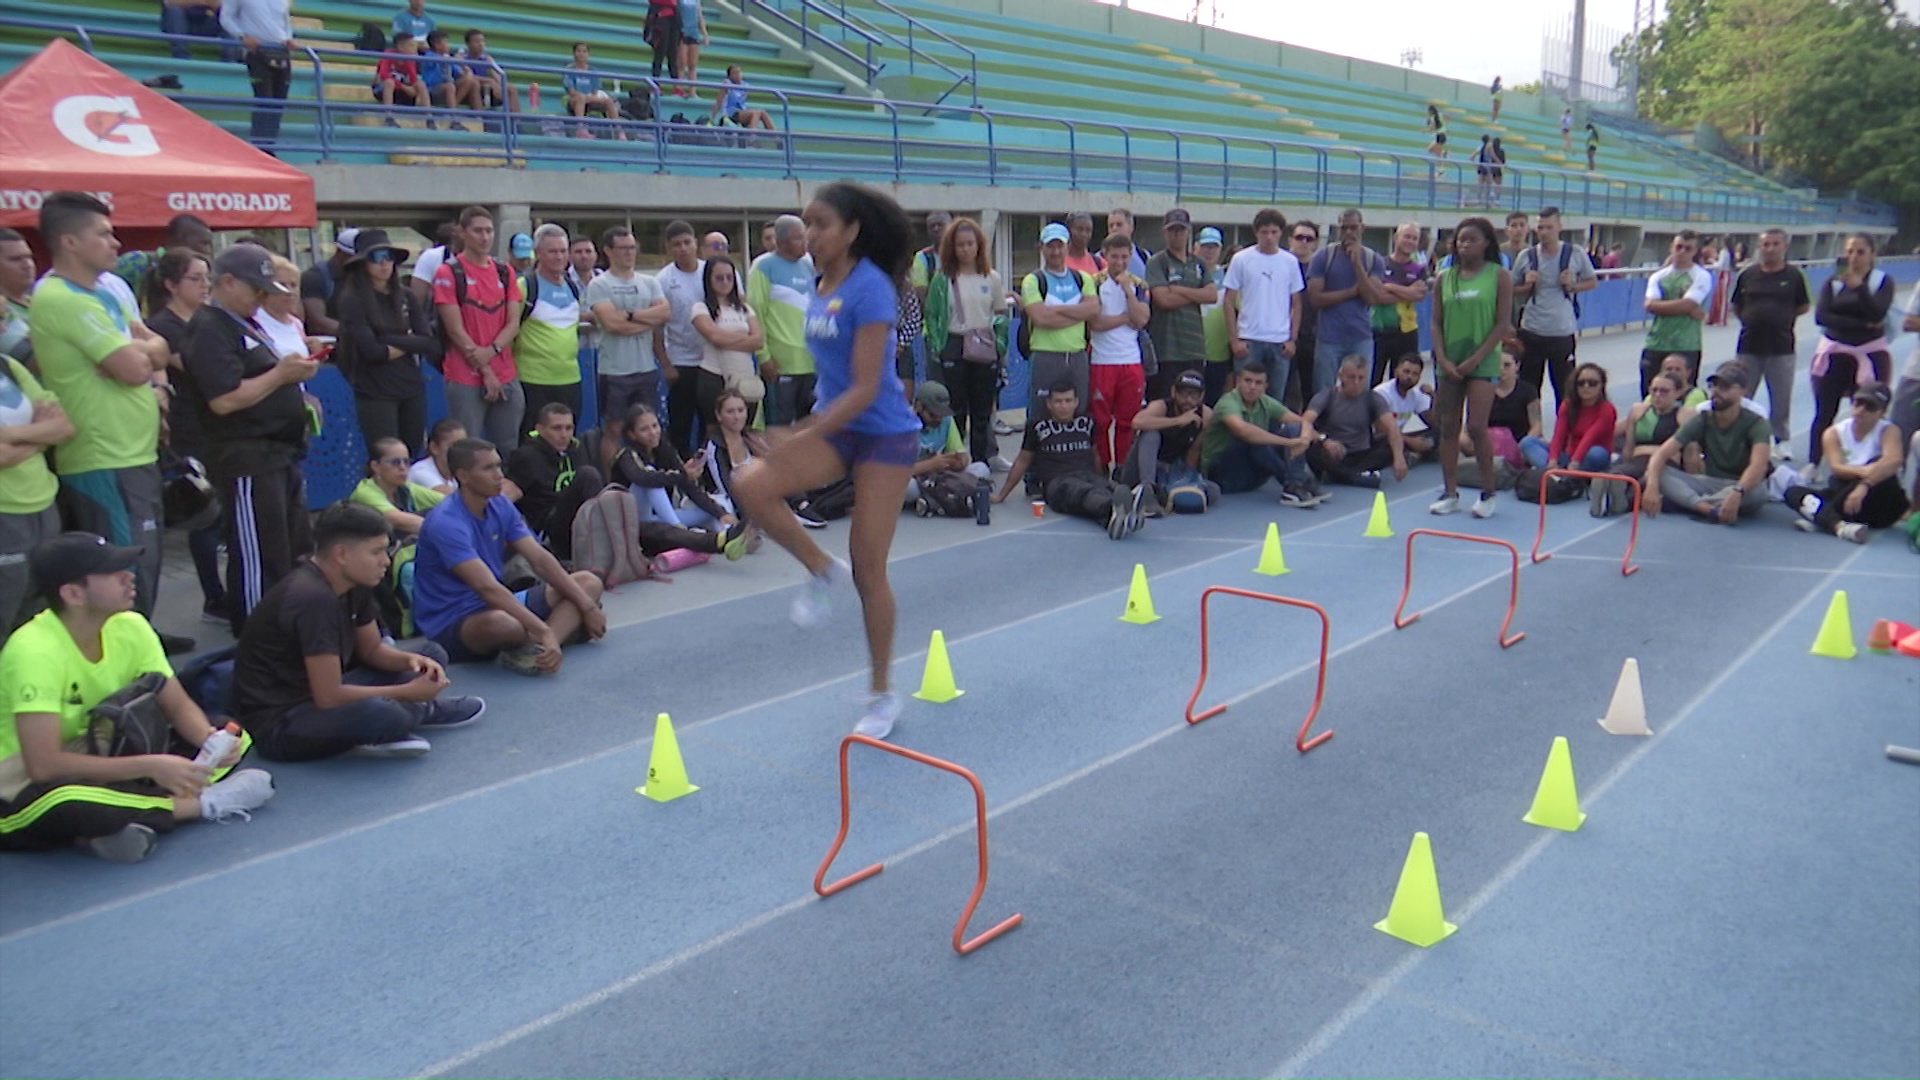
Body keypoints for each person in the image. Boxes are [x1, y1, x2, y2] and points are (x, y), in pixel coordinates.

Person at [729, 182, 927, 741]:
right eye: (805, 223)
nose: (807, 233)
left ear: (852, 231)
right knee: (750, 483)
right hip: (836, 427)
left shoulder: (871, 290)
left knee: (869, 567)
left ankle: (882, 692)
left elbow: (866, 387)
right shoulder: (821, 282)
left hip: (883, 435)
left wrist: (798, 432)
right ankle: (819, 568)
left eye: (820, 224)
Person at [0, 533, 273, 862]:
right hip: (22, 780)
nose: (128, 576)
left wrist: (210, 742)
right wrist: (151, 766)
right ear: (73, 593)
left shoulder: (132, 625)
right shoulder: (34, 650)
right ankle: (203, 804)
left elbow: (177, 704)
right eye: (112, 572)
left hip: (104, 750)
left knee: (232, 734)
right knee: (65, 799)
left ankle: (122, 817)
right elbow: (44, 765)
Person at [233, 502, 484, 761]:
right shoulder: (312, 599)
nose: (385, 561)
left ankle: (405, 713)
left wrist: (411, 661)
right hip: (283, 720)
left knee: (431, 653)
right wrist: (405, 692)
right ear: (341, 554)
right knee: (382, 713)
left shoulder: (355, 581)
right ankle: (419, 711)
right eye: (376, 552)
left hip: (327, 689)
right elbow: (328, 697)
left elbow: (373, 650)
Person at [27, 193, 174, 633]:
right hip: (103, 458)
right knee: (117, 580)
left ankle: (138, 661)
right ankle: (122, 678)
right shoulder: (62, 298)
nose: (115, 243)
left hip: (134, 453)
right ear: (69, 242)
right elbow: (133, 368)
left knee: (141, 572)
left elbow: (160, 348)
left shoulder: (102, 295)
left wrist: (143, 352)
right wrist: (141, 354)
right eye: (104, 234)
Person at [181, 244, 319, 632]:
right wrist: (280, 376)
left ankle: (286, 620)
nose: (262, 299)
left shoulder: (243, 322)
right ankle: (258, 632)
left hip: (278, 450)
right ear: (226, 283)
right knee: (259, 551)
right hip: (245, 455)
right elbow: (223, 400)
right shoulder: (210, 327)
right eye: (255, 290)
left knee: (291, 545)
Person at [413, 437, 606, 674]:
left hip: (502, 601)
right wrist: (543, 630)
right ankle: (547, 637)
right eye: (488, 468)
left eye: (498, 466)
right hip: (455, 620)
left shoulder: (500, 504)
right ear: (463, 476)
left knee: (588, 583)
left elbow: (540, 559)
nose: (499, 475)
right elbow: (486, 588)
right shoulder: (446, 522)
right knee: (505, 625)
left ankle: (537, 651)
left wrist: (587, 607)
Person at [141, 251, 226, 625]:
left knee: (223, 514)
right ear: (171, 285)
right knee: (204, 514)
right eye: (195, 278)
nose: (204, 285)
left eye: (207, 277)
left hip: (217, 427)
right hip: (188, 429)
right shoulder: (164, 325)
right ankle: (214, 597)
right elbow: (200, 368)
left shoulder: (208, 319)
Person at [1429, 216, 1514, 518]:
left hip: (1482, 360)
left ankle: (1487, 493)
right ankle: (1450, 492)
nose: (1464, 245)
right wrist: (1442, 357)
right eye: (1460, 240)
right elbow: (1436, 322)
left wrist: (1475, 359)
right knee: (1448, 426)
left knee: (1476, 427)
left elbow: (1501, 323)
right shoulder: (1444, 277)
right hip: (1449, 362)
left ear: (1487, 243)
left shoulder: (1499, 276)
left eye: (1471, 240)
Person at [994, 381, 1147, 538]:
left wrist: (1101, 478)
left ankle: (1116, 516)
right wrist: (1002, 495)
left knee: (1105, 487)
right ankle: (1115, 508)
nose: (1063, 406)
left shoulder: (1088, 421)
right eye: (1058, 401)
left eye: (1068, 401)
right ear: (1049, 404)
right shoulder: (1037, 425)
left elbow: (1095, 454)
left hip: (1088, 475)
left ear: (1076, 402)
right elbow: (1022, 461)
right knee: (1085, 493)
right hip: (1058, 483)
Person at [334, 229, 435, 452]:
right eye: (377, 258)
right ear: (363, 263)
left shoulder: (406, 296)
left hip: (410, 386)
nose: (385, 264)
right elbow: (372, 352)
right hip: (375, 390)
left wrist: (387, 339)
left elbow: (427, 342)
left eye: (389, 257)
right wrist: (407, 341)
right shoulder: (353, 300)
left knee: (412, 450)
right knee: (385, 456)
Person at [434, 206, 525, 450]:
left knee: (507, 447)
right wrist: (484, 368)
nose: (485, 237)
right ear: (461, 233)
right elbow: (454, 329)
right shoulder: (449, 272)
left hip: (505, 372)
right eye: (477, 231)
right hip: (465, 375)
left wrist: (493, 351)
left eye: (489, 231)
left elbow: (513, 322)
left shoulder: (505, 272)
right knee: (467, 449)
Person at [1643, 362, 1772, 525]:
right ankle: (1707, 509)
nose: (1716, 391)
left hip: (1741, 484)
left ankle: (1689, 503)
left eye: (1724, 386)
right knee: (1657, 473)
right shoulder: (1703, 419)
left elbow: (1758, 466)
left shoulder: (1756, 423)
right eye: (1714, 385)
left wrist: (1737, 492)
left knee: (1758, 491)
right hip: (1709, 482)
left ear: (1742, 392)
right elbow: (1661, 454)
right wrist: (1652, 487)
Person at [923, 216, 1005, 467]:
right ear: (952, 247)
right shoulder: (943, 278)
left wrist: (1000, 345)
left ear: (979, 245)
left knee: (982, 411)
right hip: (954, 345)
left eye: (970, 244)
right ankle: (954, 461)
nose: (966, 249)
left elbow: (1000, 313)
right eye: (960, 244)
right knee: (955, 410)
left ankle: (981, 462)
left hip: (984, 345)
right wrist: (939, 346)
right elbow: (933, 314)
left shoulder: (991, 277)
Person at [1809, 233, 1894, 470]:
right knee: (1825, 411)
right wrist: (1861, 324)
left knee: (1867, 411)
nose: (1853, 257)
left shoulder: (1881, 282)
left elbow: (1877, 314)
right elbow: (1822, 317)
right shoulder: (1833, 283)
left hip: (1869, 355)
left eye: (1860, 252)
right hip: (1835, 355)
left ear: (1872, 255)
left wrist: (1860, 289)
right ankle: (1814, 463)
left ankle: (1867, 462)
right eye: (1849, 251)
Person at [1783, 382, 1908, 542]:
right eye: (1858, 403)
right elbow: (1837, 468)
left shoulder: (1888, 431)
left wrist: (1865, 484)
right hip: (1845, 495)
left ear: (1881, 412)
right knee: (1793, 492)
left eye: (1870, 406)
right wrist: (1864, 471)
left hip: (1878, 501)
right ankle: (1838, 526)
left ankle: (1822, 519)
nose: (1861, 410)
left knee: (1881, 465)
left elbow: (1893, 461)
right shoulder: (1834, 433)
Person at [0, 353, 72, 632]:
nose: (5, 328)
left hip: (43, 503)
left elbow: (64, 426)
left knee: (39, 614)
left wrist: (10, 435)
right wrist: (39, 435)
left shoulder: (8, 365)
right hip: (5, 512)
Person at [611, 405, 746, 552]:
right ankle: (683, 535)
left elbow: (689, 487)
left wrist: (722, 514)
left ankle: (731, 537)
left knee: (713, 509)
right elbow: (643, 478)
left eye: (655, 426)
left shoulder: (664, 449)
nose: (653, 433)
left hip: (660, 521)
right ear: (632, 434)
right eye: (644, 429)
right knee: (651, 476)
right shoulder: (626, 454)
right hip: (636, 523)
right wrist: (682, 475)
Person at [1729, 228, 1811, 458]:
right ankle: (1740, 437)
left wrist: (1781, 318)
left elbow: (1803, 306)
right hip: (1749, 345)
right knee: (1742, 394)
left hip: (1781, 346)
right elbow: (1736, 305)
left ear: (1784, 247)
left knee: (1781, 397)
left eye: (1775, 244)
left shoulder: (1793, 276)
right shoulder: (1748, 275)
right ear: (1759, 247)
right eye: (1766, 244)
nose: (1770, 249)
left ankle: (1781, 439)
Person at [587, 225, 671, 446]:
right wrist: (646, 321)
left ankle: (649, 473)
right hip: (615, 371)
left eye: (632, 247)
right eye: (623, 248)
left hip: (646, 369)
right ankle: (611, 478)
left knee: (649, 428)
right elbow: (612, 324)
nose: (629, 253)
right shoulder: (600, 284)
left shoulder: (649, 282)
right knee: (614, 428)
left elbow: (664, 313)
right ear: (608, 250)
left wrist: (630, 315)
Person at [1199, 362, 1323, 506]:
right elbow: (1243, 431)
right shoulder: (1228, 403)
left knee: (1293, 430)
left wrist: (1304, 439)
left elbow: (1302, 422)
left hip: (1252, 476)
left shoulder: (1265, 402)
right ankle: (1296, 485)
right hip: (1222, 475)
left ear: (1265, 387)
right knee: (1253, 440)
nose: (1252, 387)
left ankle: (1296, 483)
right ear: (1238, 381)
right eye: (1248, 381)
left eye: (1258, 383)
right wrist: (1289, 443)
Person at [1512, 206, 1598, 410]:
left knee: (1566, 388)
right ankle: (1531, 432)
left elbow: (1592, 281)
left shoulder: (1574, 253)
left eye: (1549, 227)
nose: (1544, 232)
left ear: (1559, 227)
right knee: (1529, 387)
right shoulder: (1526, 256)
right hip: (1531, 330)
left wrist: (1573, 285)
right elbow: (1512, 289)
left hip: (1561, 332)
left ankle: (1567, 433)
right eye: (1540, 228)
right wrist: (1526, 284)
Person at [1223, 208, 1306, 404]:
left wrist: (1292, 339)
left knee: (1275, 399)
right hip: (1249, 339)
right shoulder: (1241, 259)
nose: (1269, 237)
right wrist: (1234, 340)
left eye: (1274, 232)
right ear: (1256, 232)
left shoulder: (1290, 262)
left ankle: (1271, 434)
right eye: (1264, 232)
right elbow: (1228, 301)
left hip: (1279, 342)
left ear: (1281, 233)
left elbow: (1297, 303)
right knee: (1244, 397)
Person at [505, 403, 604, 561]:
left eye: (569, 428)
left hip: (581, 523)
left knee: (648, 531)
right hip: (550, 530)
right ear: (540, 429)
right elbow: (505, 496)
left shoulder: (576, 450)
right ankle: (606, 545)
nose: (564, 435)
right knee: (588, 475)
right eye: (556, 428)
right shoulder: (526, 456)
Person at [1306, 208, 1386, 400]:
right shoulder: (1323, 257)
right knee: (1324, 392)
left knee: (1360, 391)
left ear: (1362, 228)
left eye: (1353, 228)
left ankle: (1354, 428)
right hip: (1329, 337)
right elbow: (1315, 299)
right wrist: (1351, 292)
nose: (1349, 233)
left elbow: (1372, 298)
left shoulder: (1373, 259)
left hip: (1361, 336)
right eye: (1344, 228)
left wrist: (1357, 264)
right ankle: (1324, 427)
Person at [1022, 223, 1099, 421]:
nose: (1055, 252)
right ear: (1042, 248)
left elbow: (1093, 310)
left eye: (1060, 246)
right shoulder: (1033, 280)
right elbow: (1041, 318)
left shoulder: (1082, 279)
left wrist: (1057, 309)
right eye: (1050, 246)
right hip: (1045, 356)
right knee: (1040, 416)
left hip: (1077, 356)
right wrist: (1078, 314)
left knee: (1079, 413)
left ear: (1067, 246)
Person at [1089, 233, 1152, 474]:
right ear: (1105, 256)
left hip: (1130, 361)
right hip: (1102, 361)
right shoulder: (1094, 283)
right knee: (1101, 420)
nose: (1120, 262)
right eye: (1115, 257)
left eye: (1124, 257)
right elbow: (1096, 323)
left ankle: (1123, 468)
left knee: (1128, 420)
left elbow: (1142, 320)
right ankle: (1102, 466)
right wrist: (1127, 318)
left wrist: (1127, 291)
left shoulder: (1138, 285)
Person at [516, 225, 586, 440]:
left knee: (567, 439)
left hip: (570, 378)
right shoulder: (525, 286)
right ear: (538, 254)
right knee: (533, 440)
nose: (559, 257)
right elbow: (509, 330)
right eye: (552, 251)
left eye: (563, 251)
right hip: (532, 379)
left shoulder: (573, 288)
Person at [748, 214, 817, 426]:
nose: (805, 243)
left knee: (810, 426)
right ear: (781, 241)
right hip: (780, 365)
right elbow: (755, 312)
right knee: (781, 426)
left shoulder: (809, 265)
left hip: (811, 362)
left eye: (805, 237)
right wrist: (763, 357)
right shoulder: (763, 266)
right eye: (799, 238)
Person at [1301, 354, 1407, 489]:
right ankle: (1355, 476)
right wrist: (1324, 440)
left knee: (1393, 444)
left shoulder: (1373, 398)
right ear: (1341, 376)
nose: (1356, 383)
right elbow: (1304, 422)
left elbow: (1392, 427)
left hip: (1362, 453)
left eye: (1361, 378)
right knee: (1310, 447)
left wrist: (1399, 458)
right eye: (1351, 377)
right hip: (1332, 453)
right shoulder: (1327, 396)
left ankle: (1342, 475)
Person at [1145, 209, 1217, 402]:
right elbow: (1163, 300)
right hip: (1166, 350)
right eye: (1172, 230)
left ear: (1188, 231)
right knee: (1164, 403)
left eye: (1181, 230)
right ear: (1164, 232)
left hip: (1194, 349)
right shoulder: (1157, 262)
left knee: (1192, 403)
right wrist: (1196, 294)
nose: (1177, 234)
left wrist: (1178, 289)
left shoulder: (1199, 263)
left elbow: (1211, 295)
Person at [1121, 369, 1217, 511]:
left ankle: (1168, 494)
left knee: (1214, 491)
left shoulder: (1206, 415)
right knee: (1151, 434)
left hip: (1171, 471)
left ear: (1202, 396)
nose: (1189, 400)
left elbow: (1194, 452)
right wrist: (1178, 420)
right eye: (1184, 394)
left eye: (1194, 395)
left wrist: (1188, 479)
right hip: (1143, 469)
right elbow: (1137, 422)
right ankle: (1148, 491)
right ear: (1174, 392)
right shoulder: (1161, 406)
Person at [692, 256, 764, 429]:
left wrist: (726, 338)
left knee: (744, 430)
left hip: (745, 378)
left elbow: (758, 341)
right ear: (709, 279)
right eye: (719, 278)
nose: (725, 282)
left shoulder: (745, 308)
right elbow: (714, 338)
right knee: (714, 430)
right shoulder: (700, 308)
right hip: (715, 376)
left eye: (729, 277)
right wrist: (744, 337)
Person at [656, 221, 708, 453]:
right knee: (680, 426)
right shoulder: (663, 280)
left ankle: (712, 478)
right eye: (677, 244)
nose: (683, 248)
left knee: (711, 425)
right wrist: (666, 364)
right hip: (681, 362)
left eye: (687, 242)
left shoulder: (713, 271)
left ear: (696, 243)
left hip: (713, 361)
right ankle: (682, 480)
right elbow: (656, 329)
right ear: (668, 248)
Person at [1639, 231, 1712, 395]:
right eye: (1679, 247)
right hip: (1656, 343)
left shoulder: (1701, 276)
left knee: (1684, 396)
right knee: (1650, 394)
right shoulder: (1658, 276)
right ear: (1671, 248)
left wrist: (1662, 306)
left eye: (1688, 248)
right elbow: (1650, 305)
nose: (1682, 252)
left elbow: (1688, 304)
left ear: (1695, 251)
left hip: (1686, 345)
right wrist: (1684, 308)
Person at [222, 0, 297, 150]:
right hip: (257, 51)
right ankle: (260, 146)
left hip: (281, 50)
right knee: (264, 99)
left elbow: (285, 21)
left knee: (279, 103)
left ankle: (269, 146)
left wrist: (288, 37)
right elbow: (226, 17)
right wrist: (242, 35)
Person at [906, 382, 990, 515]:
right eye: (933, 415)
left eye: (941, 414)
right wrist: (930, 465)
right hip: (915, 478)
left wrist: (958, 462)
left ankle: (932, 501)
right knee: (908, 488)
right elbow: (895, 471)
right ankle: (942, 499)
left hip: (940, 477)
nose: (938, 419)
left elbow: (961, 455)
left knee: (981, 469)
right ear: (919, 407)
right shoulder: (902, 423)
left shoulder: (947, 421)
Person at [1526, 361, 1616, 473]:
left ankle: (1566, 477)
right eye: (1581, 383)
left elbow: (1590, 437)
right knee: (1528, 442)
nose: (1586, 387)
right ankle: (1554, 474)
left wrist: (1575, 461)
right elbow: (1559, 436)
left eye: (1592, 383)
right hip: (1568, 456)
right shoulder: (1568, 405)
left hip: (1591, 456)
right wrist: (1553, 459)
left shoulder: (1607, 409)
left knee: (1595, 453)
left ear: (1602, 385)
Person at [1612, 371, 1699, 484]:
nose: (1657, 395)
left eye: (1664, 391)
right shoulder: (1637, 411)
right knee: (1610, 478)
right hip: (1637, 462)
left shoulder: (1686, 415)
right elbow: (1628, 448)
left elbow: (1691, 455)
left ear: (1678, 392)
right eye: (1654, 390)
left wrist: (1693, 482)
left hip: (1667, 467)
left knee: (1640, 487)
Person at [1370, 222, 1427, 387]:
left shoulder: (1419, 269)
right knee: (1373, 382)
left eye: (1414, 238)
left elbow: (1419, 295)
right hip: (1379, 330)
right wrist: (1407, 292)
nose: (1410, 241)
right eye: (1407, 236)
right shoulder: (1380, 263)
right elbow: (1376, 296)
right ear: (1396, 238)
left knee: (1401, 383)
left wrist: (1389, 286)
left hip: (1406, 332)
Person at [353, 437, 446, 535]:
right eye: (395, 463)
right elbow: (399, 521)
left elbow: (451, 503)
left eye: (406, 462)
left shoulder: (407, 488)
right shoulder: (365, 493)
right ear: (376, 466)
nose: (403, 467)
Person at [1285, 221, 1320, 410]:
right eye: (1299, 237)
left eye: (1309, 239)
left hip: (1312, 336)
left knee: (1310, 390)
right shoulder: (1281, 264)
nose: (1304, 242)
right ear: (1290, 239)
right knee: (1283, 389)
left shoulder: (1320, 269)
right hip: (1283, 336)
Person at [1374, 353, 1437, 460]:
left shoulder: (1416, 395)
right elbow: (1381, 431)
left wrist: (1433, 397)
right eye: (1406, 371)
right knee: (1384, 444)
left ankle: (1413, 455)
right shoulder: (1382, 393)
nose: (1409, 377)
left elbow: (1435, 422)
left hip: (1402, 438)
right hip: (1380, 439)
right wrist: (1411, 441)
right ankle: (1413, 454)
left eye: (1414, 374)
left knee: (1438, 434)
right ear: (1396, 371)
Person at [420, 30, 480, 125]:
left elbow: (460, 73)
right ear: (437, 44)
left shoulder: (447, 57)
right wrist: (453, 59)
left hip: (448, 88)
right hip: (432, 90)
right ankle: (453, 118)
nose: (448, 45)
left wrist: (464, 66)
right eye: (446, 42)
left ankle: (478, 117)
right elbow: (437, 61)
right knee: (449, 87)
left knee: (471, 80)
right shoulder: (429, 55)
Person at [562, 42, 618, 133]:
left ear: (588, 54)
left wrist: (589, 98)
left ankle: (620, 132)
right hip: (575, 100)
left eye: (584, 51)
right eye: (579, 51)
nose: (581, 54)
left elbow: (595, 92)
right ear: (574, 53)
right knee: (580, 98)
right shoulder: (569, 70)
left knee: (609, 100)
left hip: (590, 99)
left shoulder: (593, 71)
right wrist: (584, 97)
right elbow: (572, 92)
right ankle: (580, 130)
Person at [373, 33, 427, 119]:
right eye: (411, 46)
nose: (415, 49)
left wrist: (414, 89)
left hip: (401, 92)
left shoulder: (410, 60)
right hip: (383, 90)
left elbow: (413, 79)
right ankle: (389, 116)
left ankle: (428, 116)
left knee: (420, 84)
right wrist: (404, 87)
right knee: (389, 82)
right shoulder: (388, 55)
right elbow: (384, 75)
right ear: (400, 47)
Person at [0, 227, 33, 362]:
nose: (28, 265)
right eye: (16, 259)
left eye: (29, 257)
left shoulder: (39, 301)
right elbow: (37, 362)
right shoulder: (2, 313)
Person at [709, 65, 776, 130]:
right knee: (757, 113)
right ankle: (751, 137)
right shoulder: (727, 84)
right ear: (729, 76)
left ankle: (778, 138)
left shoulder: (745, 85)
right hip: (731, 114)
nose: (738, 74)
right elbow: (718, 102)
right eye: (734, 73)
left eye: (739, 72)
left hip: (742, 112)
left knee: (763, 113)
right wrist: (711, 119)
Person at [410, 418, 465, 493]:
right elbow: (452, 498)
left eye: (464, 445)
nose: (461, 450)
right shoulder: (420, 472)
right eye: (454, 445)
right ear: (434, 448)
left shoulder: (460, 471)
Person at [162, 0, 228, 60]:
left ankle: (230, 58)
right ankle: (181, 56)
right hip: (178, 24)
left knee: (228, 16)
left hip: (207, 22)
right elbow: (170, 2)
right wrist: (202, 2)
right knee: (174, 11)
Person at [646, 0, 685, 85]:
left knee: (673, 53)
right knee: (660, 52)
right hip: (660, 13)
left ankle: (676, 86)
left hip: (673, 14)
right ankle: (655, 84)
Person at [1104, 209, 1152, 278]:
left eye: (1119, 225)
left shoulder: (1146, 257)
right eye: (1111, 226)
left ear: (1131, 227)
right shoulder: (1099, 258)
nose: (1114, 229)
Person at [678, 0, 708, 88]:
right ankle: (678, 88)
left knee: (693, 64)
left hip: (694, 32)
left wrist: (705, 34)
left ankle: (692, 91)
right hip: (682, 32)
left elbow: (700, 17)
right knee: (682, 63)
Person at [1062, 212, 1101, 278]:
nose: (1084, 234)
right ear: (1069, 230)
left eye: (1088, 230)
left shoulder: (1099, 263)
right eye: (1080, 229)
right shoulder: (1059, 261)